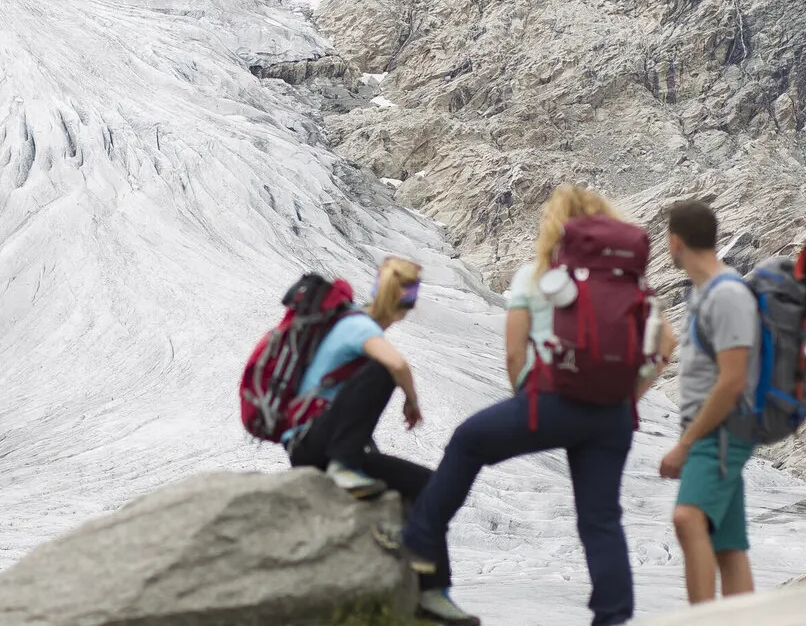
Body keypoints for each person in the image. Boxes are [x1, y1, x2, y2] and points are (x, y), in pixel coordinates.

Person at [381, 185, 665, 626]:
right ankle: (612, 618)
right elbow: (663, 345)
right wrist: (627, 399)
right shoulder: (630, 284)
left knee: (468, 441)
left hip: (553, 401)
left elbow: (515, 353)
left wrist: (529, 406)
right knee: (601, 520)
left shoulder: (537, 276)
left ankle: (419, 542)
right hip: (612, 415)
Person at [284, 257, 469, 624]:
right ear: (408, 304)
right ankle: (343, 467)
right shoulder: (356, 325)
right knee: (383, 372)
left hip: (331, 442)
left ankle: (432, 591)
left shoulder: (358, 326)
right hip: (312, 443)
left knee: (430, 485)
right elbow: (397, 366)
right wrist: (412, 402)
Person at [656, 199, 759, 604]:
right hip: (716, 428)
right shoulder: (707, 292)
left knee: (687, 518)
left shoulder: (727, 294)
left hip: (720, 430)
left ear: (675, 242)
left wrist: (686, 445)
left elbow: (732, 380)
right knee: (727, 546)